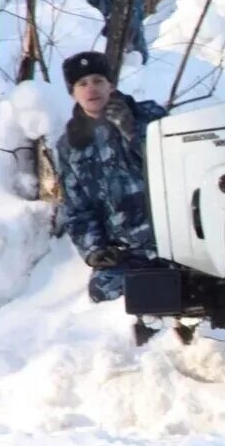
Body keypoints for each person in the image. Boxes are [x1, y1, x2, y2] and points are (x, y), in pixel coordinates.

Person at [56, 51, 172, 342]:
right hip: (126, 254)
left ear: (111, 85)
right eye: (82, 84)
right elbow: (77, 209)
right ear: (72, 92)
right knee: (109, 303)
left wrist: (133, 132)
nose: (91, 88)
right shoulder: (70, 145)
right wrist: (94, 250)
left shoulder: (150, 116)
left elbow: (174, 164)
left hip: (173, 242)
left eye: (98, 80)